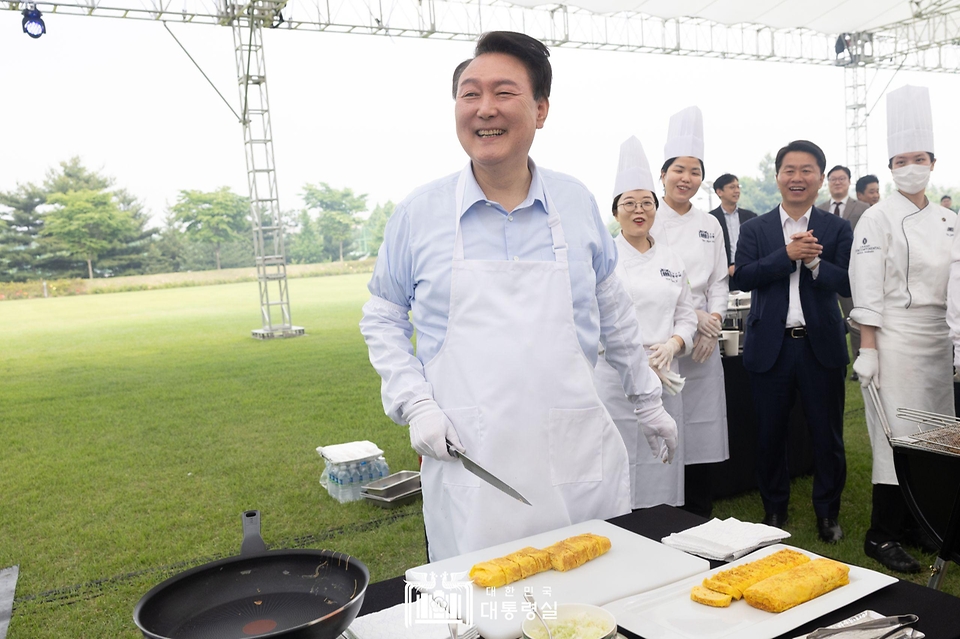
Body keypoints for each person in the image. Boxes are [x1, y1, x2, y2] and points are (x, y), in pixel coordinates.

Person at [359, 31, 677, 562]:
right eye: (469, 93)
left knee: (587, 596)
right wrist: (416, 403)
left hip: (571, 456)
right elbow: (383, 316)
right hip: (471, 457)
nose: (485, 109)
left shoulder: (575, 202)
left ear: (541, 108)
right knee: (487, 603)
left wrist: (646, 399)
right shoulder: (420, 213)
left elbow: (612, 310)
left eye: (504, 92)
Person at [850, 85, 956, 573]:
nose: (910, 165)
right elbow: (866, 286)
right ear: (891, 166)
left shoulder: (949, 221)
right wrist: (867, 347)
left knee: (935, 438)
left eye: (919, 157)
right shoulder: (876, 218)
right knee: (895, 437)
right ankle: (882, 535)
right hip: (892, 341)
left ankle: (922, 524)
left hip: (937, 341)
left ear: (932, 162)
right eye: (901, 159)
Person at [731, 139, 851, 544]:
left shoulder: (837, 228)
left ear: (820, 177)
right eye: (789, 170)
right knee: (770, 433)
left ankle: (827, 513)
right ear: (778, 176)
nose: (797, 178)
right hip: (771, 346)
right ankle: (775, 507)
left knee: (827, 434)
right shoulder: (755, 228)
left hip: (821, 346)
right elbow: (742, 277)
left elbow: (851, 282)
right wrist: (787, 255)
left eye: (806, 170)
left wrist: (815, 262)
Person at [594, 136, 698, 509]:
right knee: (617, 455)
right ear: (616, 211)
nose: (639, 210)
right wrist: (627, 355)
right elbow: (593, 317)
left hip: (664, 372)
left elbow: (686, 313)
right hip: (614, 376)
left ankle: (663, 525)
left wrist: (674, 343)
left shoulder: (671, 258)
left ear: (656, 208)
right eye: (629, 204)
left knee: (662, 456)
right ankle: (617, 524)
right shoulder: (604, 257)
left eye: (646, 203)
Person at [651, 106, 729, 519]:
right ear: (663, 175)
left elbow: (719, 280)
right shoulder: (647, 218)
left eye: (695, 171)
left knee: (700, 426)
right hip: (664, 339)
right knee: (665, 422)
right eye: (678, 169)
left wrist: (712, 323)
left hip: (704, 345)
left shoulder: (710, 224)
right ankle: (665, 509)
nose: (686, 178)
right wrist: (692, 318)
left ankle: (699, 509)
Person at [818, 166, 870, 381]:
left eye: (841, 179)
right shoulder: (818, 209)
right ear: (827, 182)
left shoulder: (863, 208)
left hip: (853, 272)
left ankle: (861, 362)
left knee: (855, 319)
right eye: (833, 179)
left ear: (849, 182)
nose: (837, 182)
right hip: (823, 272)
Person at [708, 173, 757, 280]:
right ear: (719, 192)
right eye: (732, 187)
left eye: (738, 187)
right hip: (721, 274)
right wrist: (726, 268)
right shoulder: (710, 219)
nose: (737, 191)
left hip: (748, 270)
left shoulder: (751, 217)